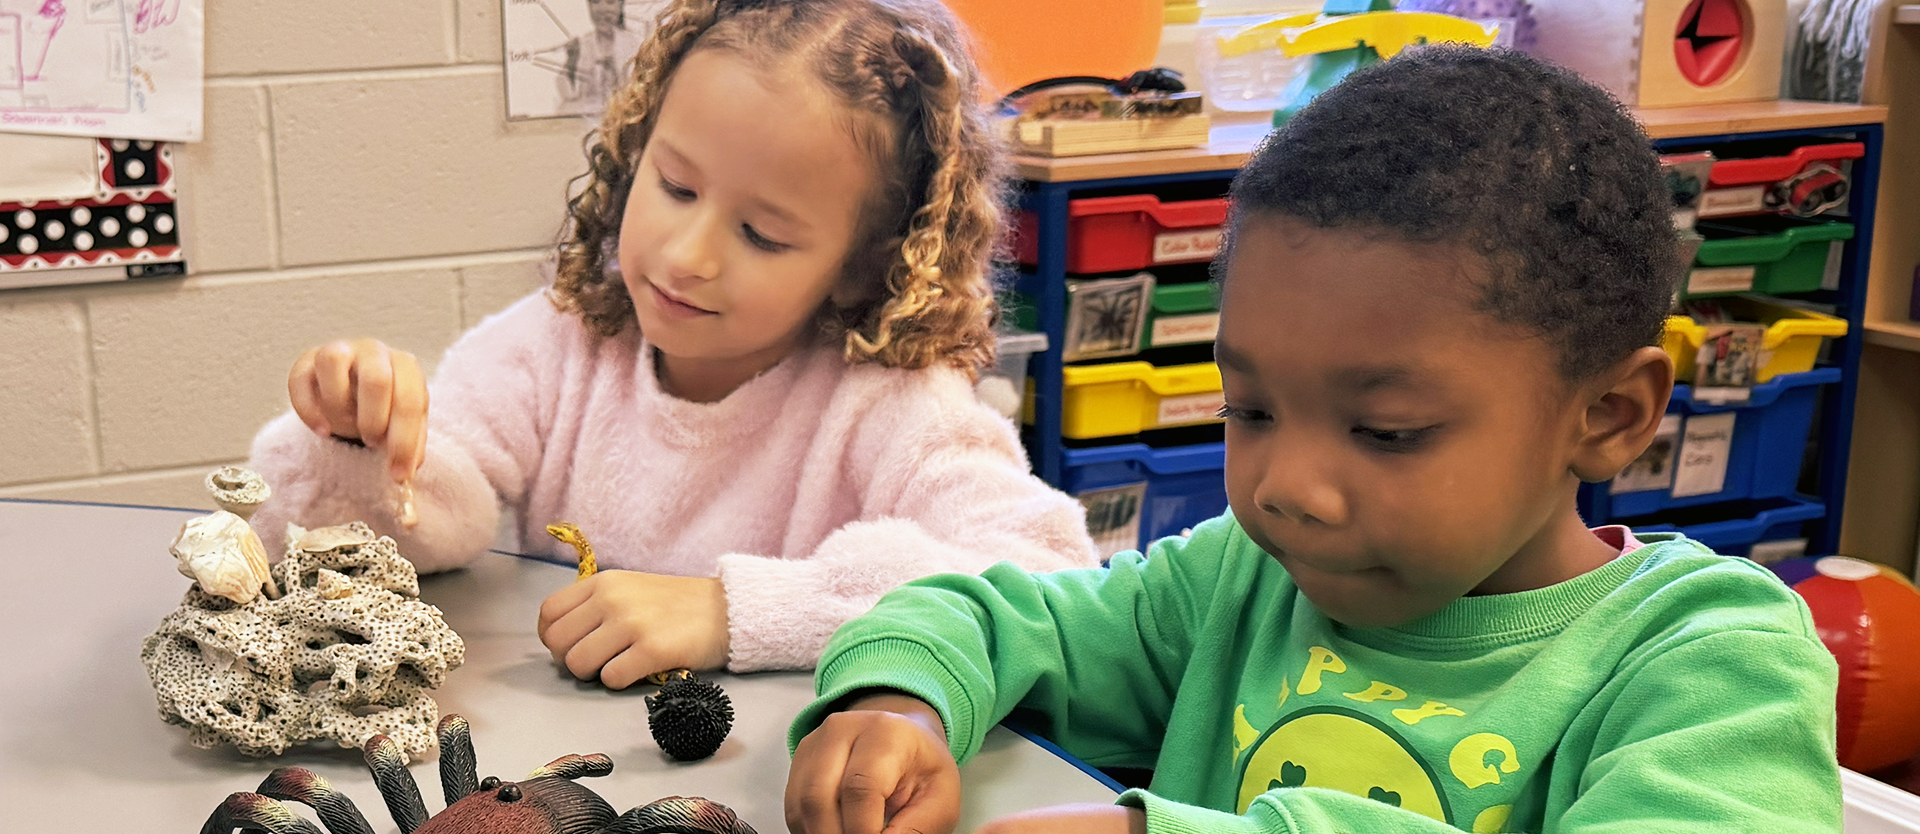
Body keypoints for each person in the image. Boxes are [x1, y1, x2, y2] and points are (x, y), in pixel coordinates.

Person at [784, 47, 1841, 834]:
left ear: (1608, 415)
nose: (1288, 488)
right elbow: (989, 612)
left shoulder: (1713, 659)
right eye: (1248, 411)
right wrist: (902, 702)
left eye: (1386, 431)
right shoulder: (1236, 586)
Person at [244, 0, 1099, 689]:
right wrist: (360, 441)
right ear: (634, 150)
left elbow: (1049, 578)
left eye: (762, 235)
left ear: (862, 264)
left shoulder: (893, 403)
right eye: (676, 185)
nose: (688, 257)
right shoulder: (568, 340)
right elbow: (430, 512)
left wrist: (738, 612)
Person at [555, 0, 645, 116]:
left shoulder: (634, 44)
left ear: (621, 6)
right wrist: (571, 61)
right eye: (595, 2)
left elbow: (640, 90)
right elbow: (568, 94)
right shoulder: (582, 44)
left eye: (610, 2)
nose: (602, 8)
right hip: (586, 117)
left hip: (623, 116)